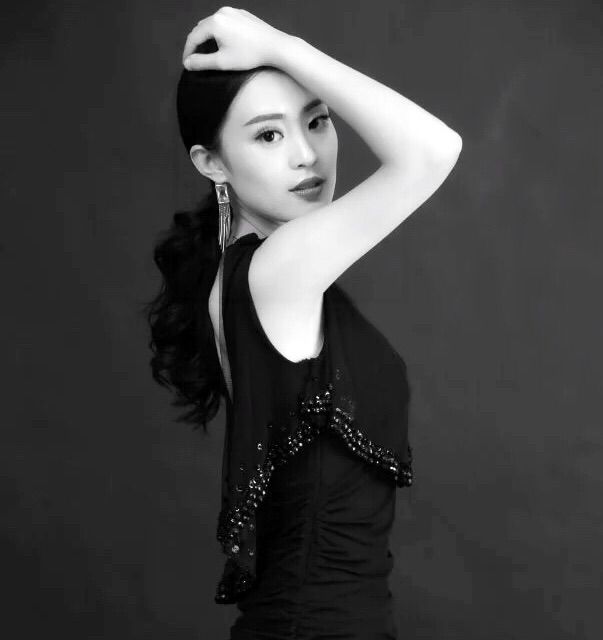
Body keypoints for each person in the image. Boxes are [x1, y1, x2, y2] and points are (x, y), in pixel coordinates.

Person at [146, 7, 462, 639]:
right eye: (268, 136)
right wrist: (284, 46)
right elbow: (433, 150)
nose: (307, 155)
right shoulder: (275, 273)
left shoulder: (257, 274)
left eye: (317, 121)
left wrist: (280, 52)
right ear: (212, 163)